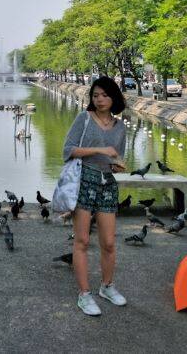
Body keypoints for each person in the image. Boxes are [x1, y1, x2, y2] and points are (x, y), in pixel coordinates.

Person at [62, 76, 127, 316]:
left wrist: (117, 165)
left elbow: (116, 158)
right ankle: (84, 294)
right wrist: (99, 149)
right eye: (96, 95)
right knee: (82, 241)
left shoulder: (121, 127)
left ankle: (107, 286)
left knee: (109, 242)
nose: (99, 99)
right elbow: (67, 151)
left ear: (114, 98)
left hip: (107, 183)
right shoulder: (84, 119)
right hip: (84, 181)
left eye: (105, 95)